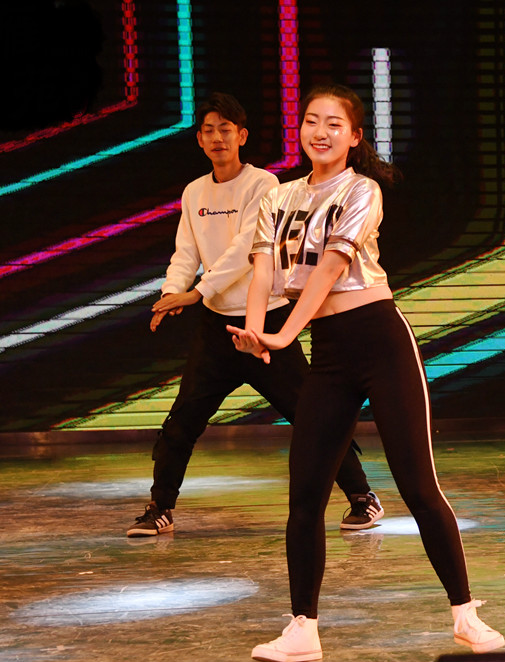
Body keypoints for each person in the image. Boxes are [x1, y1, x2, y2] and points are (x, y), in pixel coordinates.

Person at [228, 83, 504, 661]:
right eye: (311, 120)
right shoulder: (279, 196)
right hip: (329, 353)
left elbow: (329, 269)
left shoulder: (362, 189)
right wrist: (256, 332)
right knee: (305, 494)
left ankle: (465, 614)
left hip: (380, 341)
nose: (320, 132)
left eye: (334, 124)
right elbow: (262, 270)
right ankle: (302, 627)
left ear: (354, 137)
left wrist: (284, 333)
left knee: (418, 486)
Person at [127, 92, 383, 538]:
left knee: (313, 415)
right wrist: (172, 292)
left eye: (226, 130)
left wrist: (197, 291)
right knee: (182, 421)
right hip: (217, 329)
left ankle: (363, 497)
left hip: (267, 323)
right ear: (199, 140)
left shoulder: (265, 186)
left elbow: (246, 253)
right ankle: (159, 507)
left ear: (242, 136)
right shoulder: (194, 192)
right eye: (209, 131)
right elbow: (186, 252)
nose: (217, 138)